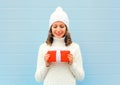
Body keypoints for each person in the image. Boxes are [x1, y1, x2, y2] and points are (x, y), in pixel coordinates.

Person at [35, 6, 85, 85]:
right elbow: (38, 78)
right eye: (55, 26)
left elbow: (81, 77)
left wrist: (72, 64)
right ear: (51, 28)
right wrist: (46, 65)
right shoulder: (43, 47)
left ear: (66, 28)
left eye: (62, 26)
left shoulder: (75, 47)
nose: (58, 30)